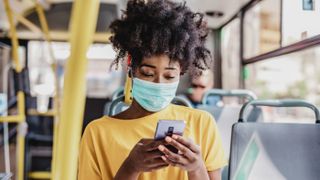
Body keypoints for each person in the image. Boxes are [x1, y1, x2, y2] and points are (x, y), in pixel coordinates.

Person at [78, 0, 227, 180]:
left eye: (170, 76)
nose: (159, 83)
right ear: (131, 65)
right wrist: (131, 167)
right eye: (148, 73)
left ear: (181, 72)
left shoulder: (202, 123)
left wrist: (196, 168)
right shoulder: (97, 133)